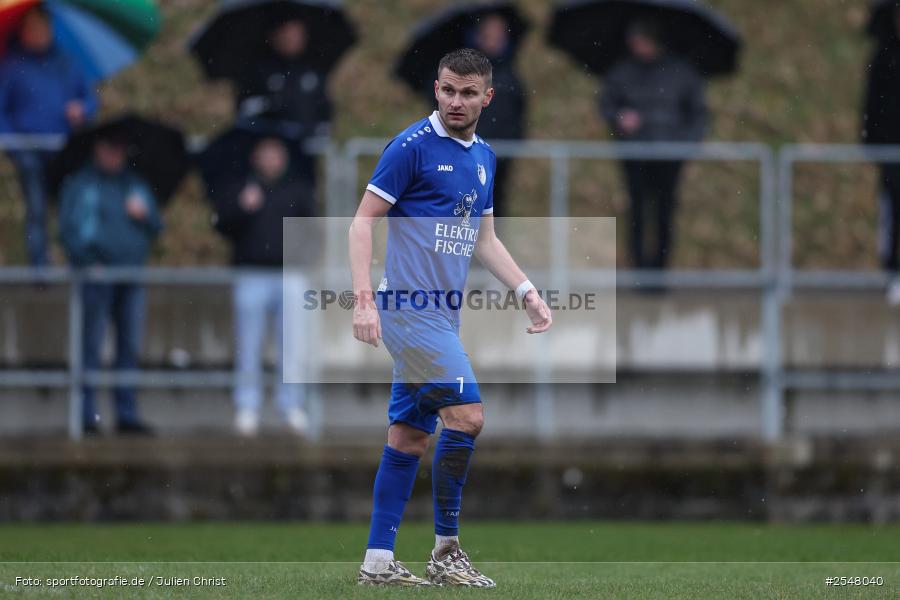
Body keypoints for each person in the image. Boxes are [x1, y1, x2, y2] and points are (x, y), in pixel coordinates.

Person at [349, 48, 552, 587]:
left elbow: (484, 239)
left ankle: (377, 564)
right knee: (467, 417)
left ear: (487, 97)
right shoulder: (411, 147)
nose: (455, 101)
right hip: (408, 312)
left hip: (441, 316)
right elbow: (361, 222)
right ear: (435, 89)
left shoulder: (484, 156)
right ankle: (445, 553)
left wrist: (526, 289)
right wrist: (364, 300)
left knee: (409, 438)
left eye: (467, 93)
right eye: (447, 90)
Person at [210, 135, 317, 437]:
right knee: (248, 343)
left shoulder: (298, 189)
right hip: (250, 274)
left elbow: (313, 232)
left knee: (293, 344)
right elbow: (221, 225)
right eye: (265, 153)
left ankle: (292, 406)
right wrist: (243, 207)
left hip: (290, 275)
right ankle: (247, 406)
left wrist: (301, 257)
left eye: (276, 153)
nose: (271, 159)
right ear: (256, 156)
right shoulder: (240, 187)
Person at [58, 134, 161, 435]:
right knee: (90, 345)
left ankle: (126, 414)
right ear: (97, 150)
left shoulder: (135, 184)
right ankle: (86, 415)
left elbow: (156, 226)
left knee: (129, 347)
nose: (115, 155)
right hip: (97, 277)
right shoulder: (82, 184)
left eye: (119, 149)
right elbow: (69, 230)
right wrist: (89, 262)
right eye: (109, 148)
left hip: (131, 274)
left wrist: (145, 214)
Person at [601, 21, 708, 270]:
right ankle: (639, 269)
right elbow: (607, 104)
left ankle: (660, 269)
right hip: (635, 152)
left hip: (669, 154)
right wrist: (620, 118)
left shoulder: (681, 72)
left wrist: (687, 144)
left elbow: (698, 114)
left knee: (664, 212)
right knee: (637, 210)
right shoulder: (622, 71)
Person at [0, 6, 97, 266]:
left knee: (72, 208)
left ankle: (77, 260)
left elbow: (89, 99)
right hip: (28, 149)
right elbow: (2, 113)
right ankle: (40, 267)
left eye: (41, 27)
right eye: (32, 28)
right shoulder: (11, 66)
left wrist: (82, 110)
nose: (38, 33)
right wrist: (14, 145)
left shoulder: (66, 62)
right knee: (37, 208)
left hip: (64, 148)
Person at [468, 13, 526, 218]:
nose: (494, 40)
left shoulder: (510, 74)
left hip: (501, 153)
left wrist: (515, 140)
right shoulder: (465, 73)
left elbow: (519, 110)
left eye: (499, 35)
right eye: (490, 35)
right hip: (470, 152)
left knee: (495, 205)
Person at [235, 19, 332, 139]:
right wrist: (269, 103)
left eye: (297, 34)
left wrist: (322, 128)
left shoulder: (312, 70)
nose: (293, 39)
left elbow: (323, 105)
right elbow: (245, 107)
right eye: (288, 34)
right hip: (270, 144)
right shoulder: (259, 70)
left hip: (306, 142)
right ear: (275, 36)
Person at [863, 5, 900, 304]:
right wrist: (872, 141)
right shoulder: (884, 56)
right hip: (891, 151)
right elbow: (872, 104)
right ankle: (893, 272)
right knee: (892, 211)